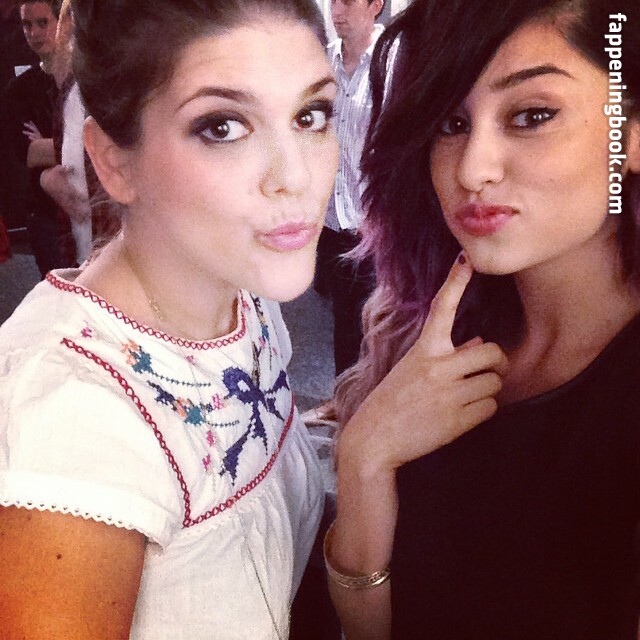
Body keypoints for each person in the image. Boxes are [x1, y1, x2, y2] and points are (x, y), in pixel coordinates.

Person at [0, 0, 338, 638]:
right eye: (223, 127)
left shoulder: (241, 289)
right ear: (113, 161)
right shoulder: (70, 419)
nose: (296, 176)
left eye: (310, 115)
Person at [325, 0, 640, 638]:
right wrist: (363, 463)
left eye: (531, 116)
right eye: (450, 123)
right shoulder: (426, 330)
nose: (472, 170)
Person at [316, 0, 384, 377]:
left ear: (376, 5)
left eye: (348, 0)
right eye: (333, 1)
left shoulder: (394, 62)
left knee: (377, 325)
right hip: (330, 220)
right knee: (343, 323)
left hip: (373, 225)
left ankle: (377, 398)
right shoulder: (322, 61)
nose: (336, 11)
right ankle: (345, 398)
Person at [0, 0, 70, 276]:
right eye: (27, 25)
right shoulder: (20, 89)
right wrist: (75, 144)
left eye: (42, 23)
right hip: (45, 213)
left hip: (92, 205)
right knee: (58, 289)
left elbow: (101, 143)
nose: (34, 32)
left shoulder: (85, 80)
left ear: (62, 22)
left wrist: (48, 144)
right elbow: (28, 154)